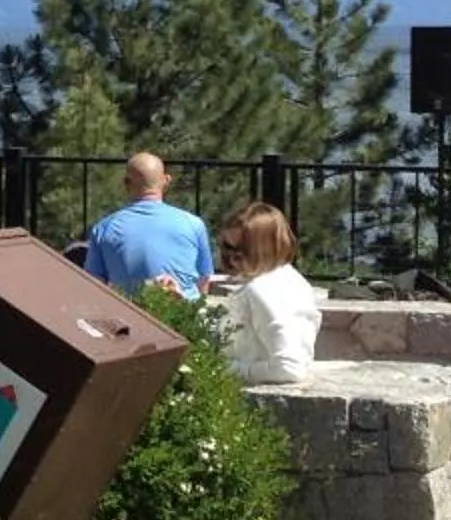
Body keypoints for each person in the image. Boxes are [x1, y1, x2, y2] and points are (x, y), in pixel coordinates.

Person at [215, 200, 320, 387]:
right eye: (225, 248)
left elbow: (289, 368)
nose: (230, 258)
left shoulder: (260, 290)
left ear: (262, 250)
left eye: (238, 251)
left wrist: (223, 369)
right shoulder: (290, 278)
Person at [79, 153, 214, 298]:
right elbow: (204, 280)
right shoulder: (193, 224)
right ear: (166, 180)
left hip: (129, 310)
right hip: (183, 310)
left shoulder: (104, 229)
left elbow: (94, 284)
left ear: (126, 183)